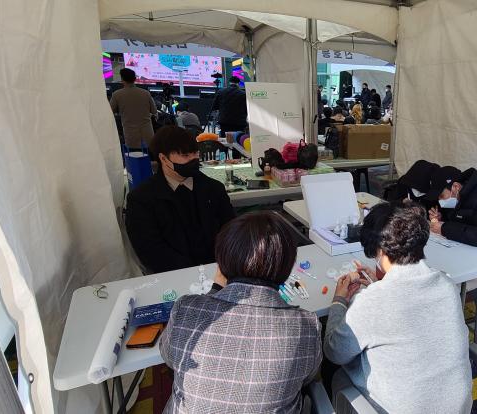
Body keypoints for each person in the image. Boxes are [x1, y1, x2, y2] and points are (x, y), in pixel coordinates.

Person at [160, 212, 322, 414]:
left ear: (221, 262)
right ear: (287, 266)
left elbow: (168, 356)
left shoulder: (186, 309)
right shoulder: (307, 326)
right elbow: (308, 375)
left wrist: (215, 291)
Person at [324, 203, 472, 414]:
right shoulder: (447, 285)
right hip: (457, 408)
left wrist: (339, 301)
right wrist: (380, 284)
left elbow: (334, 351)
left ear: (380, 251)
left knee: (336, 373)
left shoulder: (372, 301)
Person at [125, 126, 235, 273]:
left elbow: (230, 230)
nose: (193, 159)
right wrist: (190, 272)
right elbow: (149, 249)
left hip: (217, 269)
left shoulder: (214, 189)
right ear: (163, 158)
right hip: (173, 275)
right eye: (185, 155)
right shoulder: (142, 199)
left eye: (195, 153)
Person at [110, 68, 156, 149]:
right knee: (149, 155)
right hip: (148, 133)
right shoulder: (146, 93)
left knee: (133, 155)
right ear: (134, 79)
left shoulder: (117, 95)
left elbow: (110, 112)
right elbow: (154, 111)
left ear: (122, 79)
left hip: (130, 134)